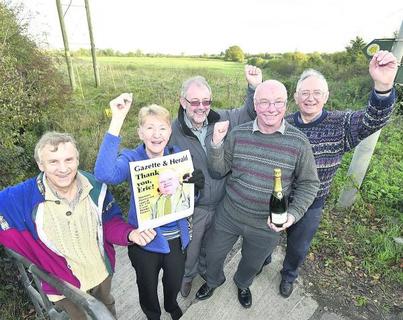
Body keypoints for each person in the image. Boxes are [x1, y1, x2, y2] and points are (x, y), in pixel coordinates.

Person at [261, 50, 398, 298]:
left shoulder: (341, 124)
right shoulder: (284, 124)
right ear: (295, 97)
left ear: (326, 96)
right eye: (305, 93)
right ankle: (263, 258)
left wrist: (383, 85)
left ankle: (288, 276)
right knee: (269, 234)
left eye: (316, 93)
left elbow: (374, 118)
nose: (310, 98)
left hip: (313, 203)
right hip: (281, 198)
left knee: (298, 247)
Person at [0, 131, 156, 320]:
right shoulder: (21, 197)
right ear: (41, 165)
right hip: (62, 285)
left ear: (77, 160)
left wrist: (130, 234)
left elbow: (110, 222)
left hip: (100, 272)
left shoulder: (96, 187)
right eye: (53, 162)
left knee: (106, 311)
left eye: (68, 160)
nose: (63, 168)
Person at [195, 80, 320, 308]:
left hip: (267, 224)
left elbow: (310, 184)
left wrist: (291, 215)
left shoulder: (299, 142)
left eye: (277, 102)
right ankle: (213, 281)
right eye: (264, 102)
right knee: (211, 254)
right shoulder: (239, 134)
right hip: (229, 214)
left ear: (286, 104)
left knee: (253, 263)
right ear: (255, 103)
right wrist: (215, 145)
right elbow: (218, 169)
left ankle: (243, 284)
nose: (271, 108)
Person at [94, 98, 203, 320]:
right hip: (144, 241)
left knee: (173, 281)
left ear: (169, 131)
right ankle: (152, 315)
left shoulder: (178, 156)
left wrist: (195, 188)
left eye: (162, 128)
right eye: (150, 128)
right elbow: (104, 174)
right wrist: (117, 119)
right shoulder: (132, 158)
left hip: (176, 240)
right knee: (147, 286)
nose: (156, 134)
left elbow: (189, 201)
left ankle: (171, 306)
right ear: (140, 132)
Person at [170, 65, 263, 297]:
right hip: (195, 207)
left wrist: (253, 87)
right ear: (183, 102)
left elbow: (249, 114)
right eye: (195, 102)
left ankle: (205, 271)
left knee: (212, 246)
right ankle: (187, 276)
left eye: (206, 101)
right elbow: (155, 164)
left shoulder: (221, 118)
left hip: (223, 202)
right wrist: (182, 181)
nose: (201, 107)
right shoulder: (172, 132)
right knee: (190, 247)